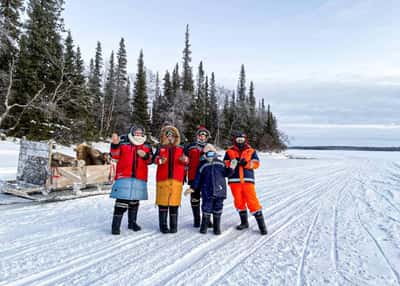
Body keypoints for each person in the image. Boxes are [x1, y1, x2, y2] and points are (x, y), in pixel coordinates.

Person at [109, 126, 153, 235]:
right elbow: (115, 155)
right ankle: (115, 226)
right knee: (121, 202)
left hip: (139, 177)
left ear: (143, 134)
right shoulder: (124, 143)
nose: (138, 134)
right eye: (136, 133)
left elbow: (150, 160)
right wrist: (114, 144)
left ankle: (132, 223)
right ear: (132, 133)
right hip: (124, 176)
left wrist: (146, 155)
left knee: (135, 201)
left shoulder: (147, 145)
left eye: (140, 133)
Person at [224, 131, 268, 235]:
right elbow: (225, 163)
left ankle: (262, 226)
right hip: (234, 181)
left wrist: (246, 163)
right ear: (235, 140)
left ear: (245, 140)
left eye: (242, 139)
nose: (240, 141)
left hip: (248, 181)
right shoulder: (229, 151)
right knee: (239, 201)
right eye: (238, 139)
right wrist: (233, 163)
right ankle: (244, 223)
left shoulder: (251, 151)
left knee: (252, 201)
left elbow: (256, 164)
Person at [188, 144, 236, 235]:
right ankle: (204, 227)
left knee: (218, 208)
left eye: (212, 153)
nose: (210, 155)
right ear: (204, 155)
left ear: (215, 153)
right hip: (207, 191)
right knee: (206, 208)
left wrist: (231, 168)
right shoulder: (202, 165)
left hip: (220, 190)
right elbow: (198, 178)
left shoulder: (220, 163)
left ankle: (216, 227)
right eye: (208, 153)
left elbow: (227, 174)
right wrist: (193, 187)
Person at [154, 125, 188, 233]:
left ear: (176, 137)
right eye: (167, 135)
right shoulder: (160, 148)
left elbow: (188, 161)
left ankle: (174, 226)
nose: (170, 138)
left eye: (172, 136)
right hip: (162, 179)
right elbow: (154, 159)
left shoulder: (181, 148)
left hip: (177, 179)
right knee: (163, 203)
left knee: (174, 203)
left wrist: (185, 159)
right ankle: (163, 226)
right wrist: (159, 160)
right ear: (164, 136)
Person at [184, 125, 211, 227]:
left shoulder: (209, 147)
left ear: (207, 137)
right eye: (200, 135)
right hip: (193, 176)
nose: (202, 137)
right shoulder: (190, 146)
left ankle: (206, 219)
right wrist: (184, 174)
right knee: (195, 198)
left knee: (206, 198)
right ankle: (196, 219)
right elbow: (185, 162)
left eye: (204, 135)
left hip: (206, 177)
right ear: (197, 136)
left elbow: (214, 161)